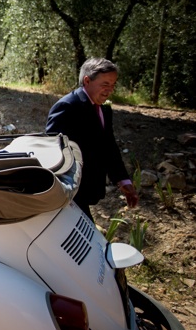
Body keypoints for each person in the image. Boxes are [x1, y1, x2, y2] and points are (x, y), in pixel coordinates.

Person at [45, 57, 139, 219]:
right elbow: (53, 148)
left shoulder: (104, 110)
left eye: (112, 85)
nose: (109, 90)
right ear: (87, 81)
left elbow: (109, 147)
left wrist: (123, 180)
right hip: (70, 192)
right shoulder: (68, 107)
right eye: (105, 85)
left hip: (89, 188)